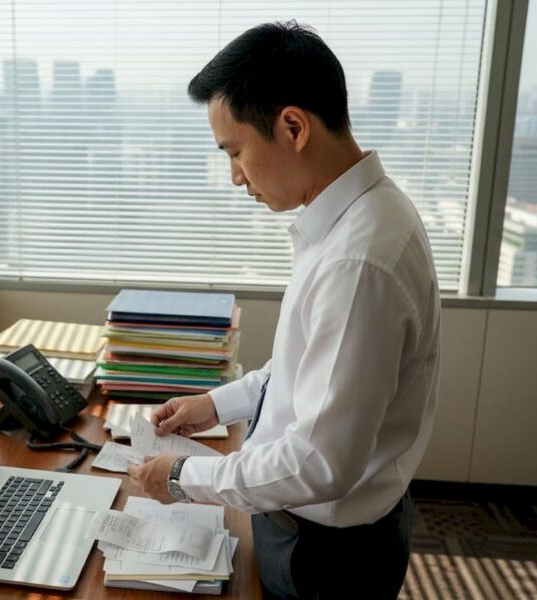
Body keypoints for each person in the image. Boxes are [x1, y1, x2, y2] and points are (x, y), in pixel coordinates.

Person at [127, 21, 441, 599]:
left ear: (293, 126)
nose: (235, 176)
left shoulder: (358, 262)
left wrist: (180, 477)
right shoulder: (352, 221)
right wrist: (213, 404)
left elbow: (319, 463)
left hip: (326, 555)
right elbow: (300, 371)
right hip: (315, 529)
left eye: (237, 151)